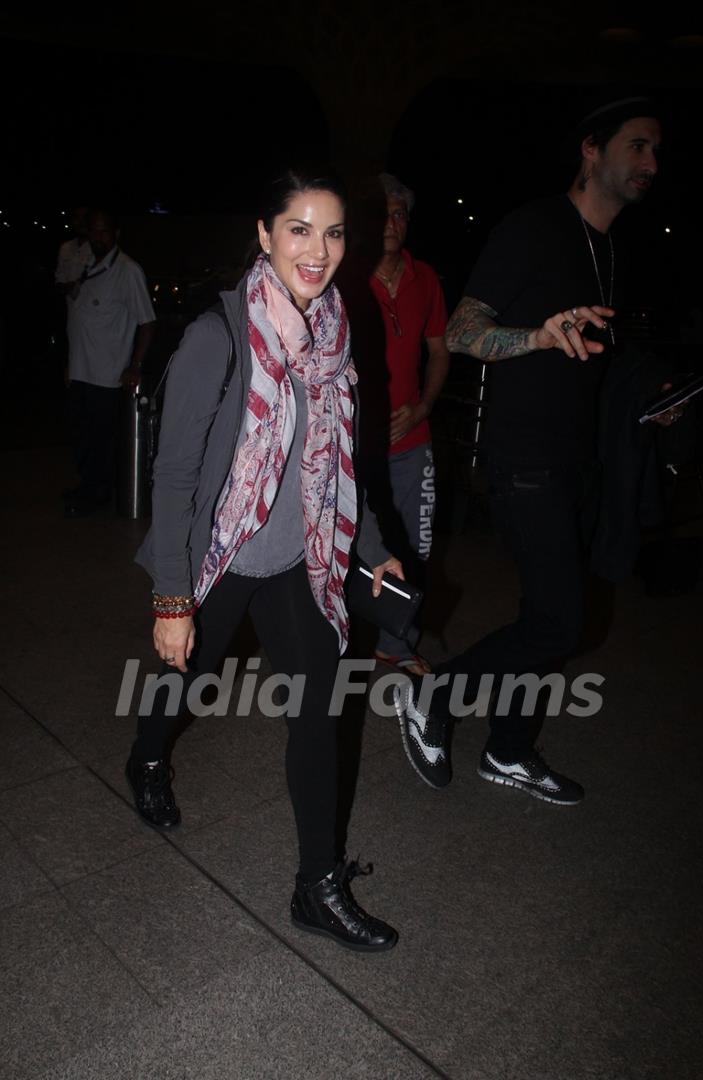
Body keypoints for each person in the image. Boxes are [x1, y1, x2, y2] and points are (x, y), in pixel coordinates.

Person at [129, 168, 402, 952]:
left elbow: (343, 459)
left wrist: (374, 550)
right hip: (218, 558)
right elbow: (176, 475)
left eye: (335, 232)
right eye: (299, 229)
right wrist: (174, 601)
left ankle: (317, 885)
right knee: (186, 681)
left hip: (298, 562)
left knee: (320, 715)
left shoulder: (336, 333)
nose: (318, 251)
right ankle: (146, 758)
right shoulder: (218, 337)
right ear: (264, 233)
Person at [393, 97, 679, 800]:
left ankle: (509, 748)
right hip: (525, 460)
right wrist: (536, 337)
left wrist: (654, 400)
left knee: (545, 619)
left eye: (656, 152)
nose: (650, 164)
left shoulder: (609, 248)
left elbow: (598, 359)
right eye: (637, 146)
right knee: (561, 620)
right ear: (592, 148)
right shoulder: (533, 227)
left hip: (581, 458)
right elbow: (462, 331)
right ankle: (436, 695)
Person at [364, 174, 450, 678]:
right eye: (382, 213)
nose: (391, 222)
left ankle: (396, 643)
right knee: (351, 539)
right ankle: (336, 634)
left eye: (399, 214)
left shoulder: (427, 279)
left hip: (412, 440)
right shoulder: (347, 278)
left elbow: (438, 352)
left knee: (415, 545)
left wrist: (421, 409)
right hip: (358, 444)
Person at [64, 209, 156, 516]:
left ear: (116, 234)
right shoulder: (85, 264)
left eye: (104, 232)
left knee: (101, 441)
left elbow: (147, 322)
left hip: (106, 374)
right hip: (80, 369)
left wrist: (135, 366)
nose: (98, 238)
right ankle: (88, 487)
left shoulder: (128, 271)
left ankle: (97, 495)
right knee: (82, 436)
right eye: (94, 232)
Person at [55, 206, 93, 298]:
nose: (81, 222)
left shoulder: (98, 247)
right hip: (71, 309)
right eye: (77, 217)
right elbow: (59, 279)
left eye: (85, 217)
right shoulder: (65, 248)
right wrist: (66, 287)